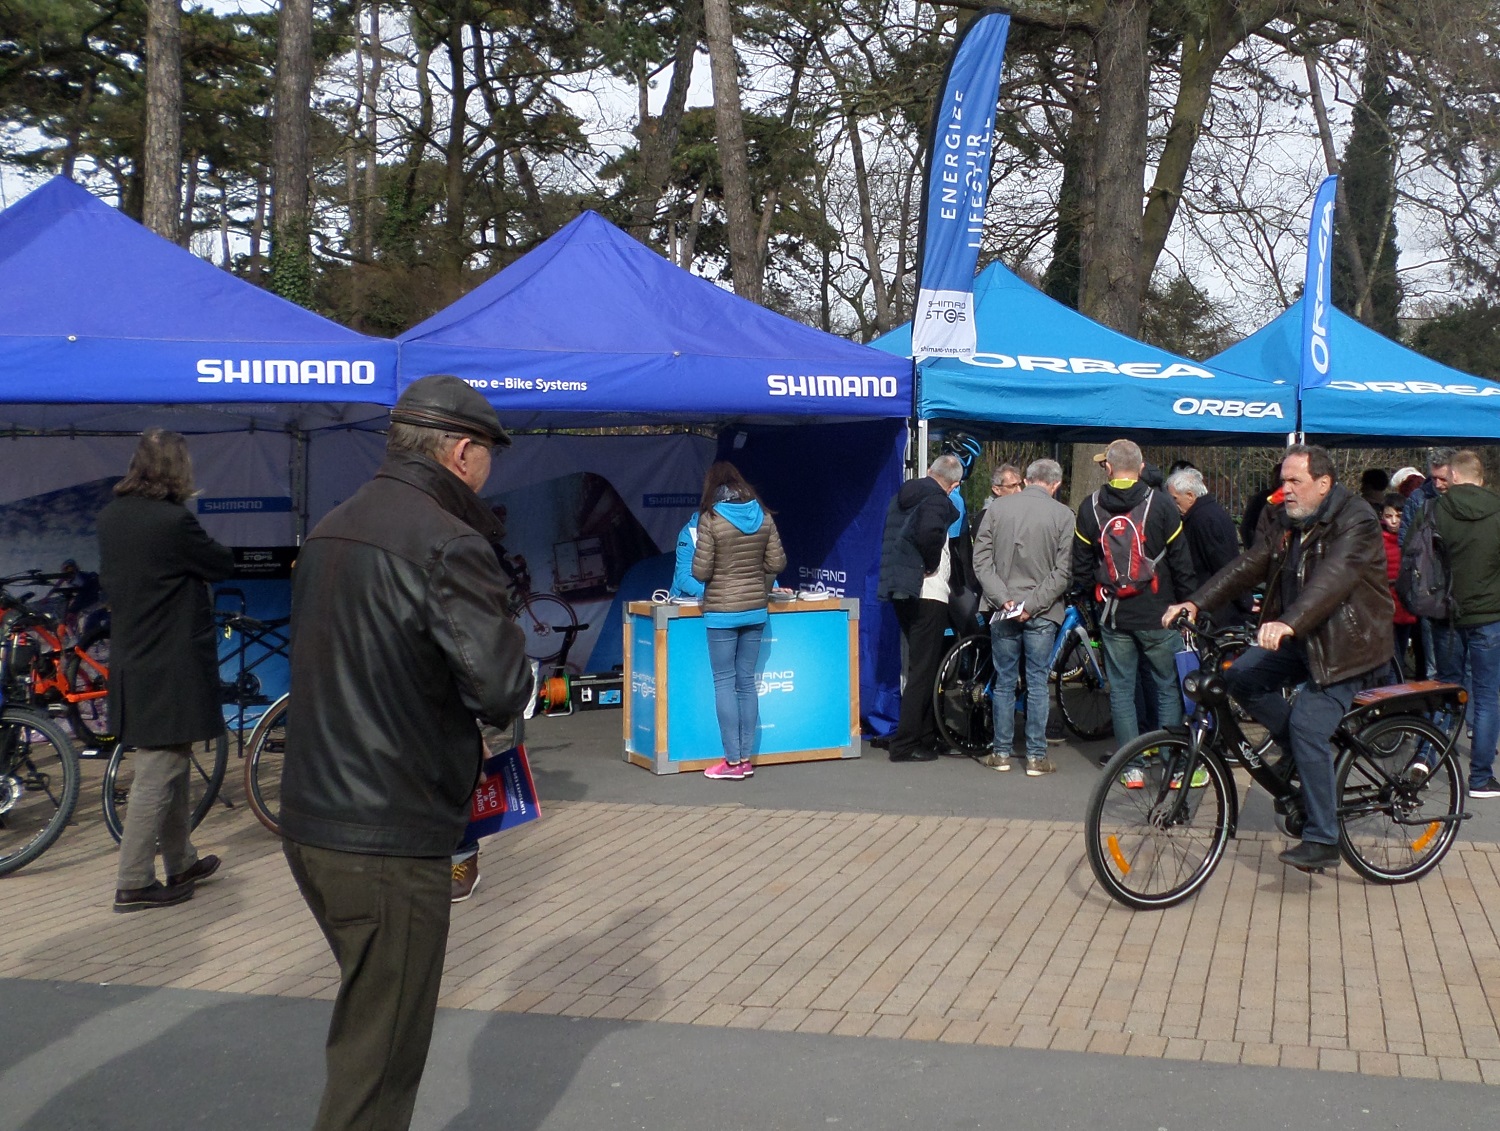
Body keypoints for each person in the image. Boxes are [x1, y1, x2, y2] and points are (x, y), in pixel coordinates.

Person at [280, 374, 533, 1131]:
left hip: (315, 817)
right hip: (386, 833)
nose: (490, 470)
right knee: (377, 1069)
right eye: (487, 454)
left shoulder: (332, 527)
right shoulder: (449, 540)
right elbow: (500, 687)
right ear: (461, 452)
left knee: (369, 1032)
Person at [1164, 444, 1395, 871]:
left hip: (1348, 647)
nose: (1284, 490)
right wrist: (1195, 602)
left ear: (1323, 484)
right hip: (1303, 636)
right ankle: (1298, 755)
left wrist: (1288, 622)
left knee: (1308, 725)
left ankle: (1324, 836)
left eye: (1294, 482)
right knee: (1239, 678)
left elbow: (1333, 579)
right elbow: (1250, 564)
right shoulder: (1290, 521)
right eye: (1282, 481)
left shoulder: (1357, 519)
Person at [98, 429, 234, 912]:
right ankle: (133, 879)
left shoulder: (111, 517)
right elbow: (220, 563)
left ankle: (181, 861)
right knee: (159, 771)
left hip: (135, 658)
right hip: (171, 662)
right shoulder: (173, 522)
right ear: (178, 470)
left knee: (171, 762)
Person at [1074, 438, 1196, 758]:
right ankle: (1171, 763)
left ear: (1109, 468)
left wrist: (1096, 600)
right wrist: (1188, 604)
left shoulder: (1090, 506)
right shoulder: (1162, 504)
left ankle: (1130, 767)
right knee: (1168, 688)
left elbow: (1081, 567)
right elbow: (1182, 562)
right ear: (1141, 468)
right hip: (1160, 612)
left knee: (1122, 691)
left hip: (1115, 614)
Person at [972, 458, 1074, 775]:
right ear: (1055, 484)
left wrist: (1005, 600)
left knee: (1004, 682)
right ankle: (1035, 756)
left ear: (1027, 479)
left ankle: (1001, 753)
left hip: (1003, 608)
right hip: (1042, 609)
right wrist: (1032, 603)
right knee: (1037, 682)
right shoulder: (1064, 515)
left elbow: (981, 562)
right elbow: (1064, 571)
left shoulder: (997, 510)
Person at [690, 462, 787, 780]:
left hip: (721, 611)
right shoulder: (763, 516)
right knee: (746, 683)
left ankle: (731, 763)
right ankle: (745, 759)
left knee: (724, 683)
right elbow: (777, 562)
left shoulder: (711, 519)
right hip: (755, 611)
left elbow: (701, 572)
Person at [878, 454, 963, 763]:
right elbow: (929, 534)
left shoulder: (902, 496)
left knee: (919, 666)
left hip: (900, 589)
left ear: (929, 471)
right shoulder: (937, 501)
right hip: (927, 592)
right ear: (954, 485)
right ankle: (905, 743)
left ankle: (926, 737)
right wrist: (929, 564)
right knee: (923, 671)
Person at [1432, 450, 1500, 799]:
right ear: (1481, 477)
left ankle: (1426, 761)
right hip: (1490, 615)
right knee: (1487, 696)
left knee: (1445, 688)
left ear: (1454, 476)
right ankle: (1480, 777)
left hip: (1447, 613)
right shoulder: (1497, 510)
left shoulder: (1436, 509)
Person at [1402, 448, 1462, 683]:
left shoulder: (1465, 499)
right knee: (1433, 660)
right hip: (1430, 587)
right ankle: (1435, 713)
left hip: (1460, 584)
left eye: (1443, 479)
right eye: (1433, 478)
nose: (1437, 484)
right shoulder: (1418, 498)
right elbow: (1405, 540)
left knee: (1462, 663)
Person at [1166, 467, 1252, 627]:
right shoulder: (1208, 513)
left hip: (1217, 608)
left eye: (1176, 499)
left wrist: (1244, 601)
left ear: (1190, 496)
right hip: (1216, 603)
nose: (1174, 505)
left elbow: (1224, 562)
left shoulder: (1204, 519)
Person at [1380, 492, 1421, 679]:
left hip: (1406, 602)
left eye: (1399, 516)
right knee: (1392, 656)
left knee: (1402, 650)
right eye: (1388, 516)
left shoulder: (1411, 538)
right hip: (1385, 604)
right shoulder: (1377, 540)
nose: (1394, 521)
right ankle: (1394, 689)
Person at [669, 512, 704, 600]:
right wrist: (716, 595)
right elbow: (683, 578)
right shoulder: (689, 532)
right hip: (684, 601)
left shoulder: (737, 528)